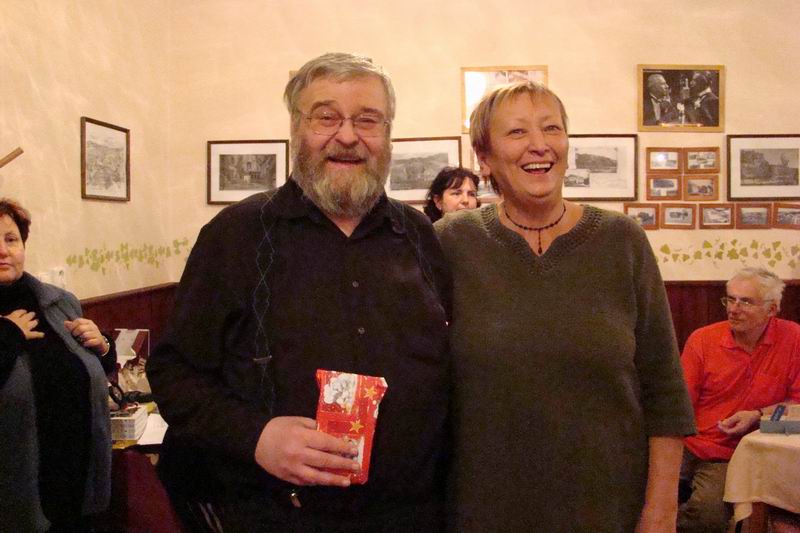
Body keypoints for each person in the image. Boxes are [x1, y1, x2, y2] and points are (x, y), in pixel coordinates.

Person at [147, 52, 451, 532]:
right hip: (274, 517)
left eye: (367, 119)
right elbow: (174, 372)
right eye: (326, 117)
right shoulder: (235, 235)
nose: (347, 136)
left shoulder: (420, 236)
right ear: (296, 127)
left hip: (411, 517)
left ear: (388, 133)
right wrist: (257, 437)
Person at [435, 81, 696, 532]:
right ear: (485, 156)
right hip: (484, 510)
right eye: (517, 132)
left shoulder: (622, 241)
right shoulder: (450, 243)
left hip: (609, 510)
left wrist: (660, 513)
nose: (539, 144)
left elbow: (665, 390)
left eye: (551, 128)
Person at [0, 198, 115, 532]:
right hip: (15, 485)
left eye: (11, 239)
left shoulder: (59, 301)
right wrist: (8, 334)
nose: (3, 251)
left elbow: (89, 368)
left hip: (75, 476)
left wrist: (103, 345)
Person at [678, 267, 800, 533]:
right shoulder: (703, 339)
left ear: (772, 309)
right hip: (688, 442)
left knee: (706, 517)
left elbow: (798, 405)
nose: (733, 309)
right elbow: (679, 404)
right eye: (730, 299)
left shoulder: (793, 338)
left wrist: (757, 414)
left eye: (745, 301)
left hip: (736, 455)